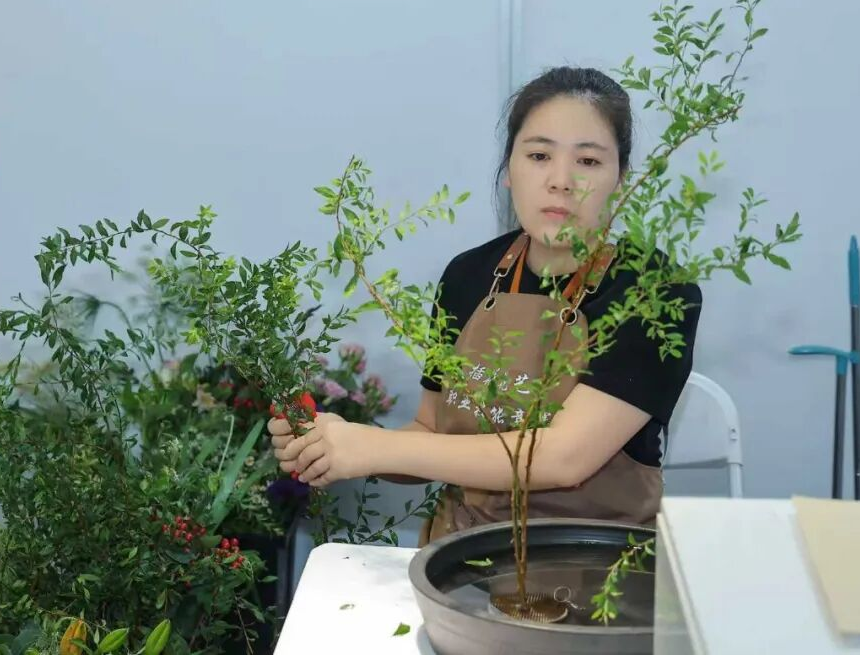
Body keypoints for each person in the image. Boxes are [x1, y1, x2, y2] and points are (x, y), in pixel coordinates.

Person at [269, 66, 702, 544]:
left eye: (588, 161)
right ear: (509, 171)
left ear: (621, 179)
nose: (561, 181)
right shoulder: (468, 276)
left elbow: (563, 457)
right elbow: (430, 432)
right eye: (539, 155)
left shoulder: (653, 292)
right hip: (461, 553)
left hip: (592, 561)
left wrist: (373, 448)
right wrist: (335, 443)